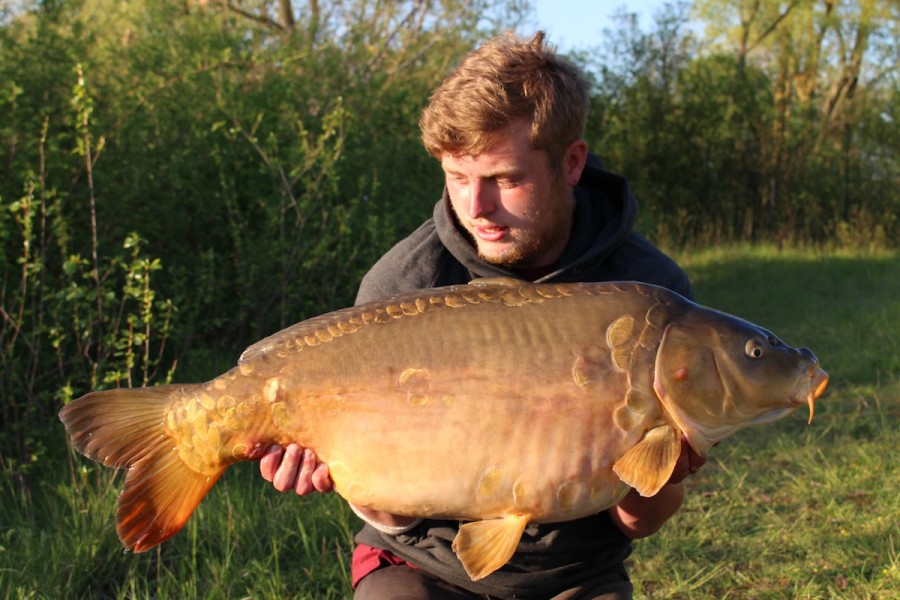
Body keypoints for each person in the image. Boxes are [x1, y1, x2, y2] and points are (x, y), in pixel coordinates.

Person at [260, 31, 705, 599]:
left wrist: (662, 463)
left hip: (573, 573)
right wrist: (333, 469)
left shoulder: (651, 300)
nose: (477, 209)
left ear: (571, 163)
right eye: (458, 178)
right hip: (420, 562)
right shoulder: (404, 286)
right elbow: (390, 519)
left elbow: (637, 521)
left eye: (504, 179)